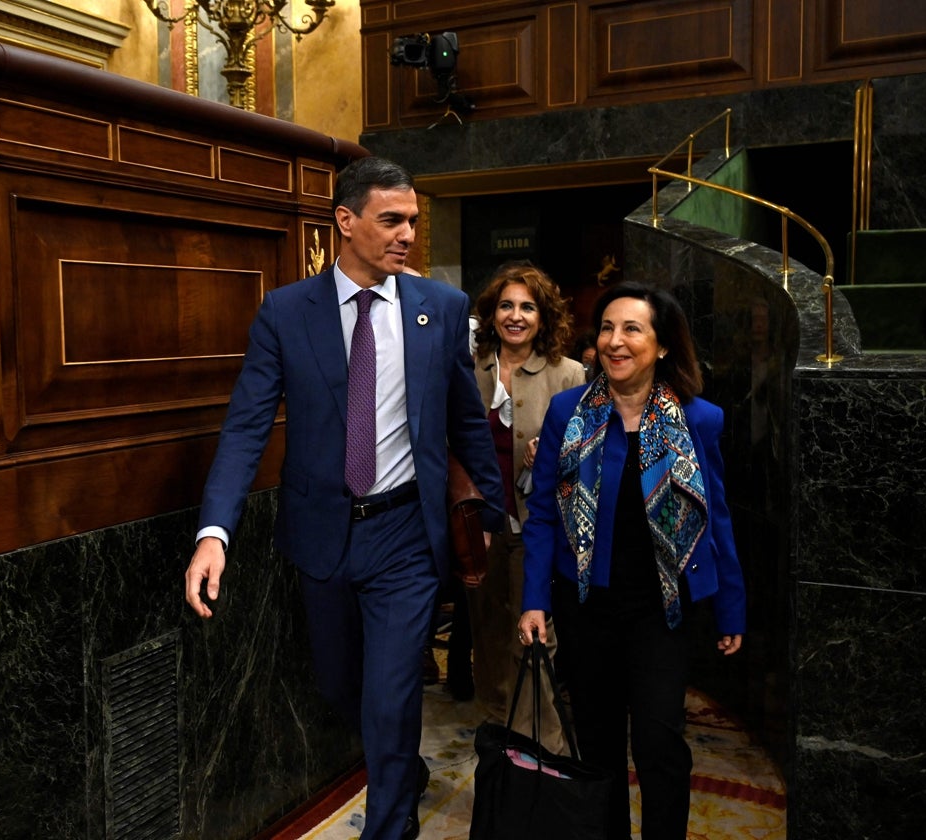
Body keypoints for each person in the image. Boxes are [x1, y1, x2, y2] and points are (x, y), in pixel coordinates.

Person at [184, 156, 504, 840]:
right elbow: (245, 427)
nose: (407, 234)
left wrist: (493, 513)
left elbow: (466, 419)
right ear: (346, 221)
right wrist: (215, 532)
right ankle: (400, 769)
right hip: (323, 534)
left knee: (392, 697)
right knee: (340, 688)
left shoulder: (440, 310)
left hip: (406, 537)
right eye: (391, 220)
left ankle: (390, 824)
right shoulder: (285, 312)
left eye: (413, 220)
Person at [516, 281, 745, 840]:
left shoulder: (700, 419)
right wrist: (535, 600)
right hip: (586, 604)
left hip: (660, 611)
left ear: (662, 345)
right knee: (596, 744)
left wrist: (732, 607)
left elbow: (717, 518)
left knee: (659, 741)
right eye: (607, 329)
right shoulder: (568, 412)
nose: (615, 342)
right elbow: (542, 512)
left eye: (632, 329)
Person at [468, 260, 584, 754]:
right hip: (479, 523)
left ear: (544, 316)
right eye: (506, 306)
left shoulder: (569, 373)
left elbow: (588, 454)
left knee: (533, 636)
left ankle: (543, 746)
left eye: (527, 307)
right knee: (488, 635)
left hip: (538, 525)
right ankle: (498, 729)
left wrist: (557, 451)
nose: (515, 316)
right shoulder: (468, 366)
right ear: (492, 313)